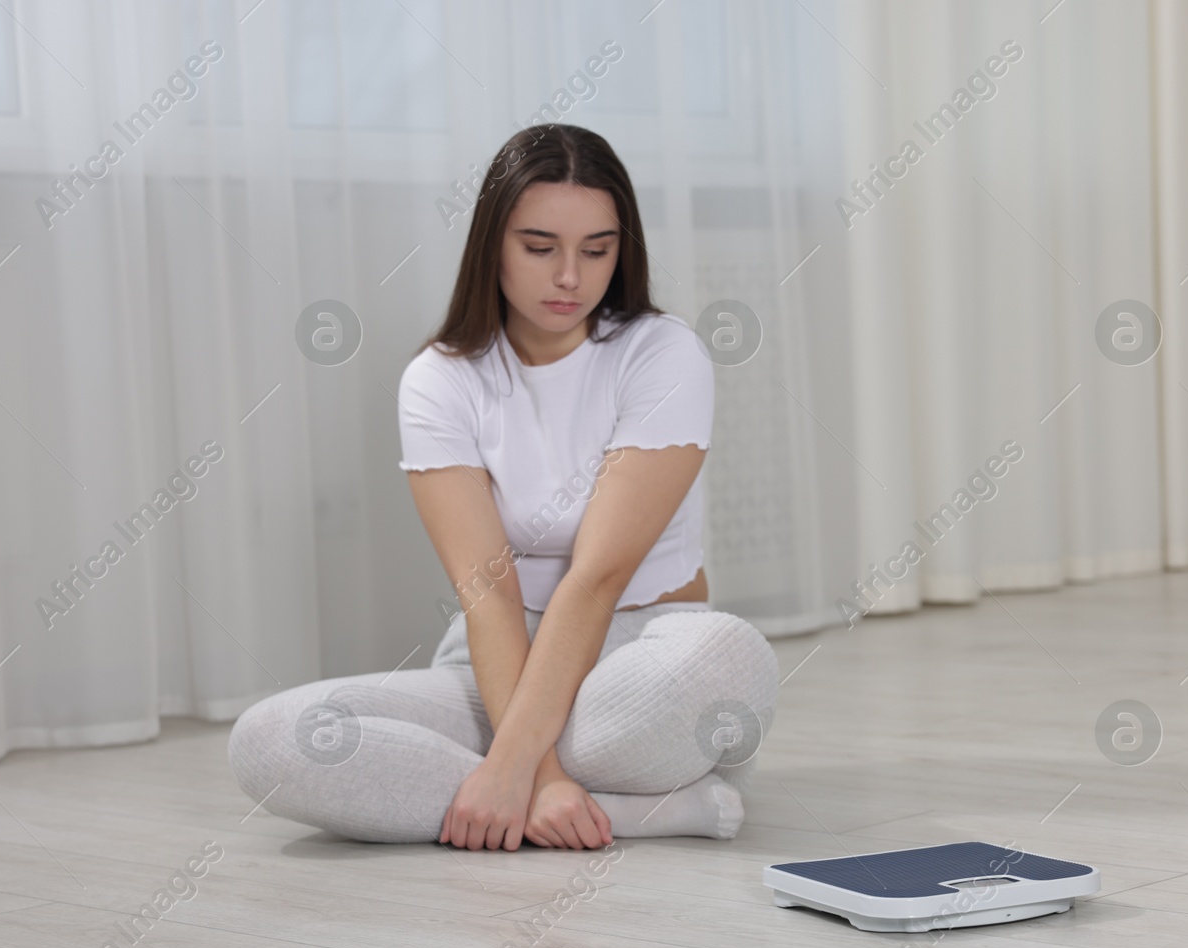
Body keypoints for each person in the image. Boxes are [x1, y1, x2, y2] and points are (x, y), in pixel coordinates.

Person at [228, 124, 779, 851]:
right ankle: (623, 809)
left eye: (597, 250)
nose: (570, 278)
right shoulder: (440, 379)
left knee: (729, 661)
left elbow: (598, 576)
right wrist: (538, 769)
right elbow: (487, 590)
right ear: (493, 242)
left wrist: (517, 761)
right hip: (501, 661)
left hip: (641, 649)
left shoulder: (663, 353)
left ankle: (504, 791)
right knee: (271, 740)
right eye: (540, 247)